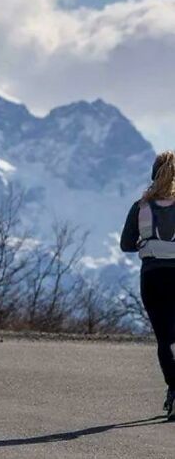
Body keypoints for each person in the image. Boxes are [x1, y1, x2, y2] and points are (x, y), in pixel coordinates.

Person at [121, 151, 175, 420]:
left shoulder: (140, 207)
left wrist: (146, 241)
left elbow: (125, 245)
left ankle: (174, 388)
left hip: (153, 276)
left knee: (165, 339)